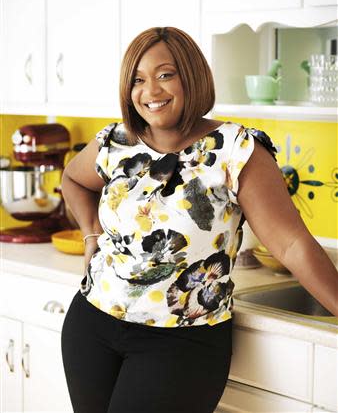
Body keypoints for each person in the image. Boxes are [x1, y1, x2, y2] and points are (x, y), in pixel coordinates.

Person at [61, 26, 338, 413]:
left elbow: (291, 244)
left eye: (165, 75)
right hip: (92, 323)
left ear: (191, 76)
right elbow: (73, 179)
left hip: (180, 341)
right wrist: (91, 236)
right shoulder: (116, 142)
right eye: (138, 80)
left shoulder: (236, 149)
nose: (151, 92)